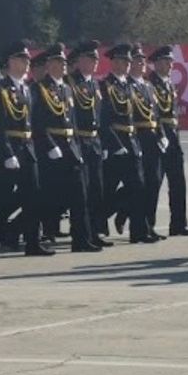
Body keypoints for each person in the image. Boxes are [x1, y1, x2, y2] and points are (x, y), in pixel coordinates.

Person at [33, 43, 101, 253]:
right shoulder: (39, 88)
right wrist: (51, 146)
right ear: (49, 64)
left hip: (72, 146)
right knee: (48, 198)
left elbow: (72, 121)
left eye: (64, 62)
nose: (63, 66)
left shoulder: (66, 88)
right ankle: (23, 234)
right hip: (51, 149)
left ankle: (81, 239)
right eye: (58, 62)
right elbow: (37, 122)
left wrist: (77, 146)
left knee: (80, 195)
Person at [0, 41, 51, 255]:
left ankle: (32, 243)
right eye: (21, 59)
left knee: (34, 196)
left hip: (28, 147)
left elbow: (33, 123)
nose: (26, 64)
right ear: (10, 62)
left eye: (27, 60)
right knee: (0, 199)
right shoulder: (1, 90)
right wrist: (7, 153)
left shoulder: (27, 89)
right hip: (11, 148)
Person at [100, 44, 153, 243]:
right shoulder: (106, 86)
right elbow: (104, 120)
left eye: (128, 61)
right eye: (123, 61)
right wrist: (114, 144)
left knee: (138, 187)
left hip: (132, 141)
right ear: (114, 62)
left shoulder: (129, 86)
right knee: (108, 189)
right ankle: (97, 223)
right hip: (116, 145)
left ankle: (138, 232)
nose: (127, 65)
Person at [67, 40, 112, 245]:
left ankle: (94, 233)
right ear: (80, 60)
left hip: (94, 140)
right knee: (80, 193)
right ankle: (80, 236)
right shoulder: (71, 83)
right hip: (80, 140)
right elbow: (72, 116)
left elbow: (100, 116)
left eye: (96, 58)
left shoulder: (94, 84)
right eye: (91, 58)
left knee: (96, 190)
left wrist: (103, 143)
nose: (95, 62)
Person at [147, 46, 188, 236]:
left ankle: (179, 224)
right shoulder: (150, 84)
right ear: (156, 63)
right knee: (154, 182)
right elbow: (152, 113)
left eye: (171, 61)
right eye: (166, 61)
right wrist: (160, 135)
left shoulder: (168, 84)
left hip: (173, 134)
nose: (170, 65)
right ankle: (148, 225)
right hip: (160, 134)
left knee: (178, 182)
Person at [128, 44, 168, 240]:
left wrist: (162, 135)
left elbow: (157, 114)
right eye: (137, 59)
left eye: (143, 59)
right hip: (138, 137)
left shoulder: (148, 86)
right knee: (139, 186)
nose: (142, 62)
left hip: (152, 138)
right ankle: (138, 229)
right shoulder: (127, 86)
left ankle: (149, 226)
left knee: (154, 182)